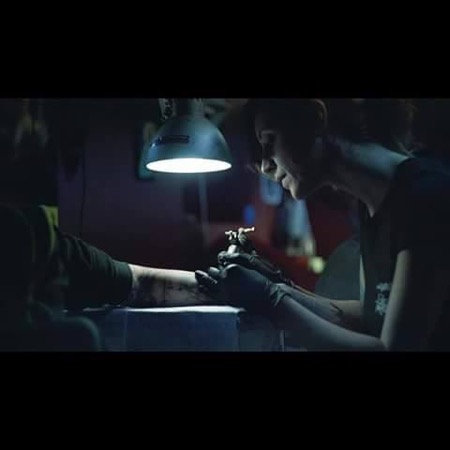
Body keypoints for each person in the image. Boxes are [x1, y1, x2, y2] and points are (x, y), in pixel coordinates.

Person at [196, 98, 450, 351]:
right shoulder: (374, 205)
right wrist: (278, 286)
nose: (265, 165)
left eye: (270, 140)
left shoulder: (425, 197)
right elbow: (370, 316)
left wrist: (272, 300)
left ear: (316, 118)